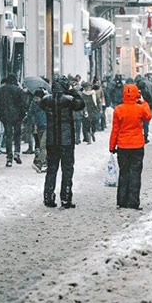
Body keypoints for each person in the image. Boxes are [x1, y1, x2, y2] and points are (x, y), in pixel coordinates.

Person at [40, 76, 85, 209]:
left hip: (52, 139)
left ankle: (48, 196)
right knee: (67, 169)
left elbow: (42, 105)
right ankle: (65, 197)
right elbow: (80, 104)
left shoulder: (46, 100)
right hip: (66, 139)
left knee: (52, 169)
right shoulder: (69, 100)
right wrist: (72, 91)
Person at [109, 83, 152, 209]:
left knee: (124, 173)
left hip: (122, 146)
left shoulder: (118, 109)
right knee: (135, 174)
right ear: (136, 95)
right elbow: (148, 116)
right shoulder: (140, 108)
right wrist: (144, 103)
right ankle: (133, 202)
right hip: (137, 145)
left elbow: (115, 130)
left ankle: (122, 201)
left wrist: (112, 146)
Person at [0, 74, 27, 167]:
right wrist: (22, 115)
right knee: (17, 135)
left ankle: (9, 157)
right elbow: (23, 104)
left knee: (8, 135)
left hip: (6, 116)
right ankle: (17, 152)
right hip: (17, 116)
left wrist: (0, 115)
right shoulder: (18, 90)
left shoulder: (1, 90)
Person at [29, 89, 48, 173]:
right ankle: (46, 162)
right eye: (35, 97)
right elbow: (31, 113)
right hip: (39, 126)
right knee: (41, 145)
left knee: (43, 145)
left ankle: (39, 163)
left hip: (47, 126)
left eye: (37, 98)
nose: (36, 99)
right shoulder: (33, 104)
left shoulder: (47, 103)